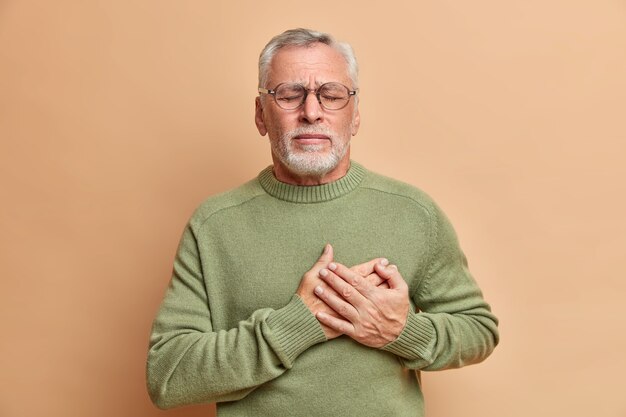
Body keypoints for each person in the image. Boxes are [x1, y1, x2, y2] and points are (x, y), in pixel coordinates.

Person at [147, 28, 499, 417]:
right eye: (288, 94)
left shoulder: (414, 213)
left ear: (355, 116)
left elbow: (479, 330)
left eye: (331, 95)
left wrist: (401, 332)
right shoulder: (214, 225)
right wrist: (296, 323)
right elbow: (168, 375)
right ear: (261, 114)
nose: (311, 112)